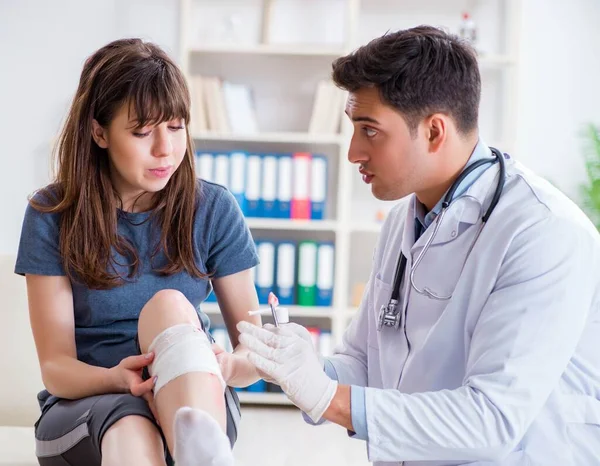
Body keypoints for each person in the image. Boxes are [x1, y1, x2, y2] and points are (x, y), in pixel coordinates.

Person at [238, 25, 600, 466]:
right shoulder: (403, 221)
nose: (352, 152)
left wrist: (327, 396)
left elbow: (491, 422)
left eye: (369, 131)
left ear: (433, 132)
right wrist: (296, 367)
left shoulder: (542, 231)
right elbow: (365, 364)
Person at [15, 38, 259, 466]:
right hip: (90, 404)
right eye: (143, 132)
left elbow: (252, 352)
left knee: (169, 306)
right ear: (99, 132)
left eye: (177, 126)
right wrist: (116, 379)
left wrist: (227, 367)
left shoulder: (214, 208)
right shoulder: (51, 214)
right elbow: (56, 367)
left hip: (194, 396)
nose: (165, 149)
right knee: (131, 427)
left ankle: (201, 447)